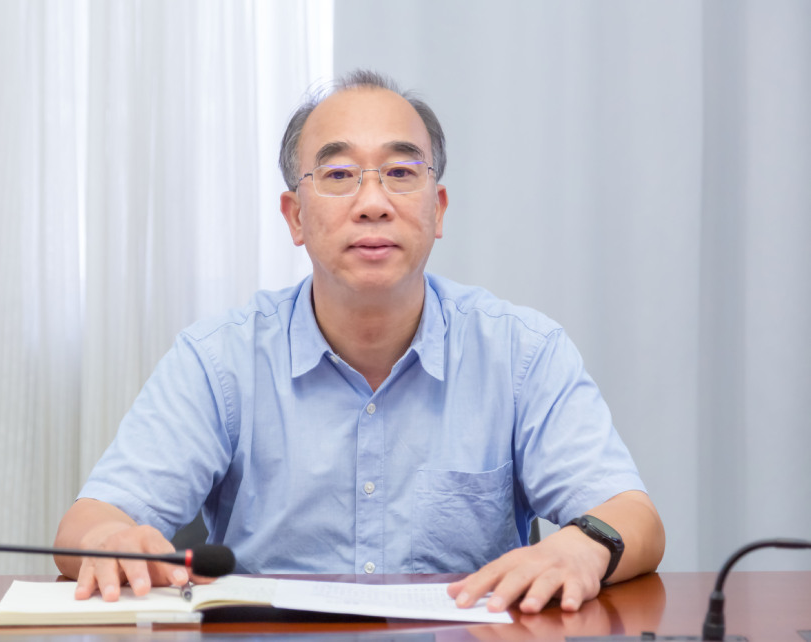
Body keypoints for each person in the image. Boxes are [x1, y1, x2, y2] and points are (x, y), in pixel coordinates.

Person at [54, 69, 665, 614]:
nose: (373, 203)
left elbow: (634, 517)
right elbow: (88, 523)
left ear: (438, 209)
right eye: (340, 175)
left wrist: (583, 546)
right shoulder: (219, 360)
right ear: (295, 216)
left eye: (400, 173)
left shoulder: (522, 353)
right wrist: (109, 539)